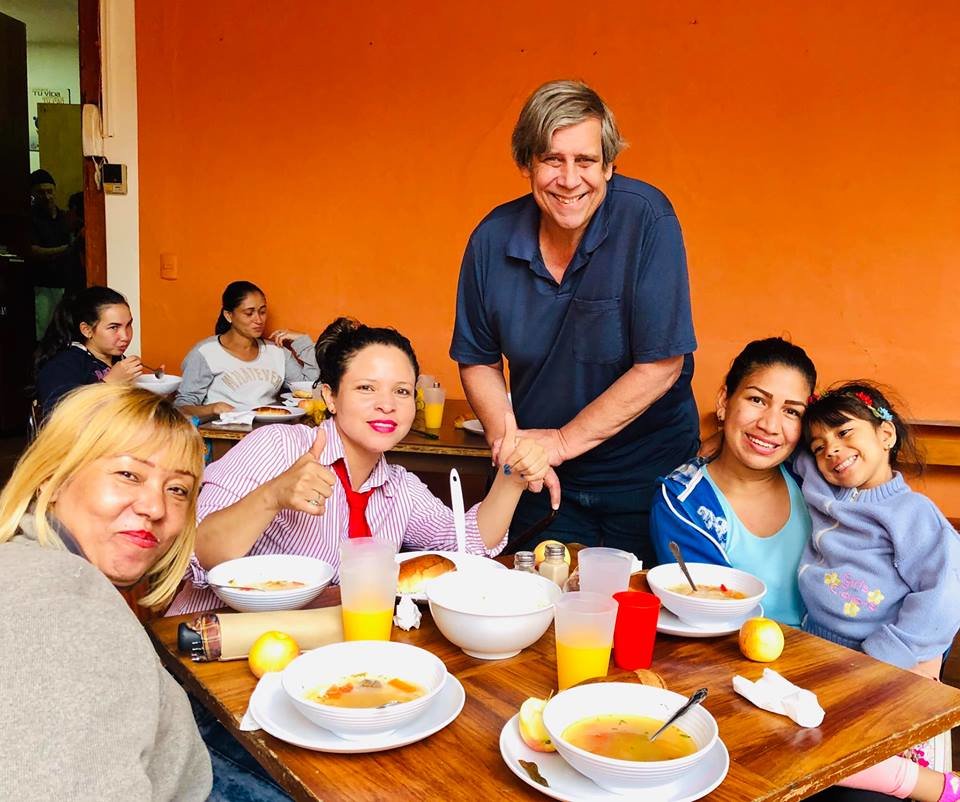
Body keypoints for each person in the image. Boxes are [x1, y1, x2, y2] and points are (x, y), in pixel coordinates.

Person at [450, 79, 698, 564]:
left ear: (608, 165)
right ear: (527, 164)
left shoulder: (647, 219)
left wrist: (562, 441)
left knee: (638, 622)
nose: (569, 179)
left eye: (585, 161)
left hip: (644, 475)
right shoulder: (490, 239)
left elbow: (662, 365)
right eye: (551, 159)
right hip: (543, 476)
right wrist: (514, 446)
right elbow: (478, 360)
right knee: (529, 607)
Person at [168, 317, 550, 615]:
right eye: (366, 388)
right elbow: (196, 549)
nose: (387, 404)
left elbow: (464, 545)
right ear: (330, 397)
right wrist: (273, 496)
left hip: (316, 658)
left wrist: (512, 477)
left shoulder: (399, 487)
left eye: (401, 391)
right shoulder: (280, 446)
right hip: (214, 647)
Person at [0, 384, 212, 801]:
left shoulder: (32, 563)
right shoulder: (65, 610)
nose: (155, 507)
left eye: (178, 489)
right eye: (129, 474)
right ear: (52, 479)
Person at [797, 382, 960, 802]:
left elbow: (946, 595)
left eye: (845, 432)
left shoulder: (912, 513)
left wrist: (887, 656)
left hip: (885, 665)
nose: (831, 449)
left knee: (834, 752)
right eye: (819, 445)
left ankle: (935, 786)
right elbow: (787, 451)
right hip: (822, 660)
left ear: (885, 435)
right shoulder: (822, 490)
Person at [650, 338, 816, 626]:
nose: (770, 425)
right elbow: (711, 613)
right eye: (757, 400)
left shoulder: (814, 483)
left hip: (831, 656)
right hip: (734, 656)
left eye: (791, 411)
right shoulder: (684, 503)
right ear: (724, 401)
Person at [174, 280, 318, 417]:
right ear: (229, 315)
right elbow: (182, 407)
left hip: (269, 432)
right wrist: (213, 408)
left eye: (262, 312)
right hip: (224, 436)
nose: (258, 320)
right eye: (249, 313)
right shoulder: (205, 353)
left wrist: (303, 341)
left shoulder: (277, 352)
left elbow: (312, 389)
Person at [35, 286, 146, 417]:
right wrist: (109, 383)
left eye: (128, 325)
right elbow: (62, 415)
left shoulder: (118, 360)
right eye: (114, 327)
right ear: (87, 330)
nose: (125, 336)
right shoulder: (62, 364)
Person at [29, 169, 83, 339]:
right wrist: (67, 249)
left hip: (68, 284)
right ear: (32, 194)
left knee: (66, 332)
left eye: (49, 191)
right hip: (44, 285)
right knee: (44, 332)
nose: (46, 196)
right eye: (40, 192)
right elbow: (34, 251)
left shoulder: (64, 217)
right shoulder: (31, 219)